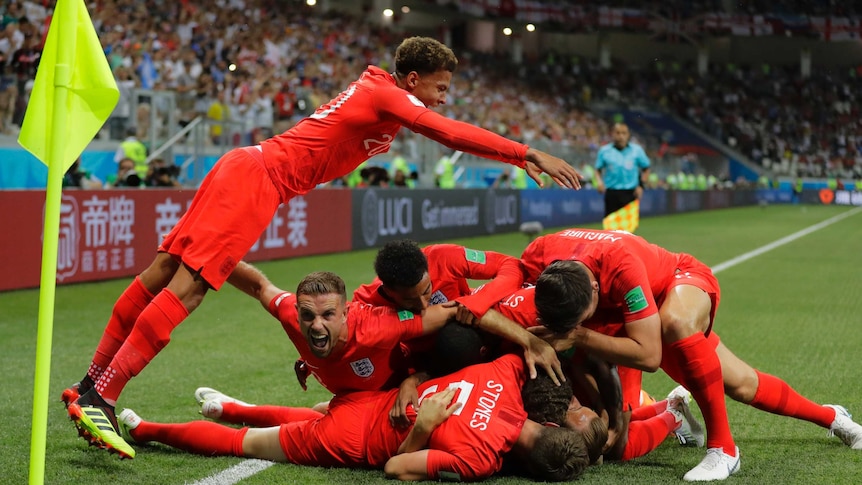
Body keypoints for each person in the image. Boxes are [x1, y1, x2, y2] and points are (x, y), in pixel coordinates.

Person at [62, 35, 581, 458]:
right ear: (414, 80)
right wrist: (525, 152)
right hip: (257, 181)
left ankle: (90, 385)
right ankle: (105, 396)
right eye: (440, 88)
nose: (443, 98)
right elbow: (444, 132)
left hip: (249, 169)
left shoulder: (380, 92)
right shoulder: (388, 94)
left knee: (162, 272)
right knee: (188, 287)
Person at [521, 229, 862, 480]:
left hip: (678, 282)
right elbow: (505, 271)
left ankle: (724, 449)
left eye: (580, 319)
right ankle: (832, 417)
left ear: (594, 289)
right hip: (630, 323)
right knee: (742, 385)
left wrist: (579, 334)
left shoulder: (619, 266)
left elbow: (650, 356)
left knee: (675, 321)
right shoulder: (540, 254)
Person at [116, 354, 589, 482]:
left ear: (548, 425)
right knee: (246, 446)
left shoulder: (505, 376)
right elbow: (396, 468)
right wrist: (423, 429)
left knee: (302, 418)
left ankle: (232, 408)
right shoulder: (480, 460)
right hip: (355, 439)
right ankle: (144, 429)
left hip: (369, 397)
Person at [594, 123, 650, 221]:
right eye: (618, 133)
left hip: (630, 194)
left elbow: (646, 168)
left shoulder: (636, 150)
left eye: (624, 133)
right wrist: (599, 182)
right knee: (611, 230)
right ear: (612, 134)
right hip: (612, 193)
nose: (621, 136)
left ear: (628, 135)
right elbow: (597, 170)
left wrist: (641, 186)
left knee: (628, 231)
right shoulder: (604, 151)